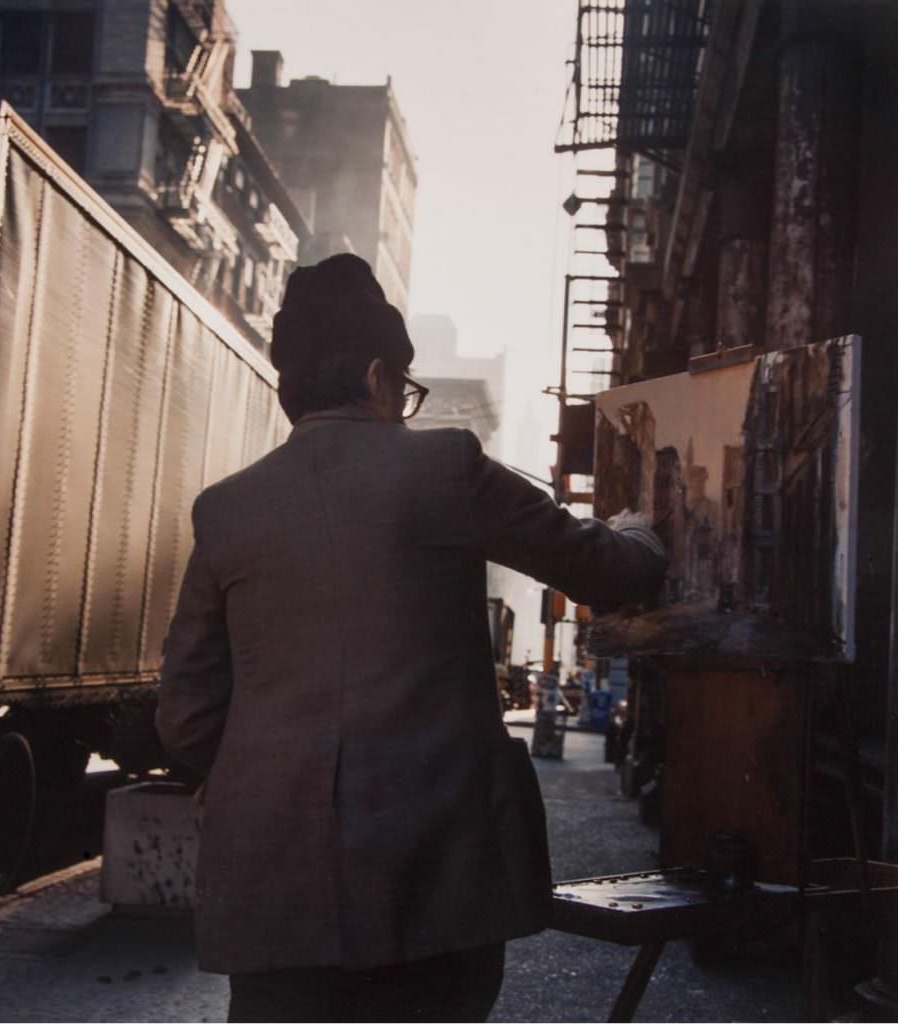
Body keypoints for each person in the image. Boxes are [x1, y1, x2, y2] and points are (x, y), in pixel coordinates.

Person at [156, 253, 666, 1022]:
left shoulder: (225, 509)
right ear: (376, 376)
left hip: (271, 892)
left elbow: (186, 719)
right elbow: (607, 571)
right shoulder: (445, 466)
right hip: (433, 883)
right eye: (404, 385)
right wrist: (638, 533)